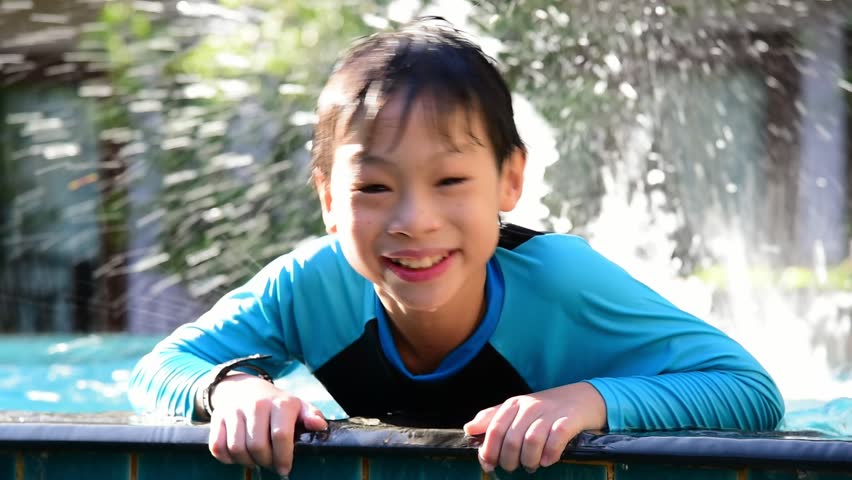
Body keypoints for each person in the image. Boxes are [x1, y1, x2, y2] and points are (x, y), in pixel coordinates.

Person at [129, 17, 784, 477]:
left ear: (510, 180)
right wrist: (232, 390)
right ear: (329, 198)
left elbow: (749, 393)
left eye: (450, 181)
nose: (415, 220)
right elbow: (160, 368)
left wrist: (585, 401)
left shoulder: (561, 282)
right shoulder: (310, 284)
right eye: (376, 186)